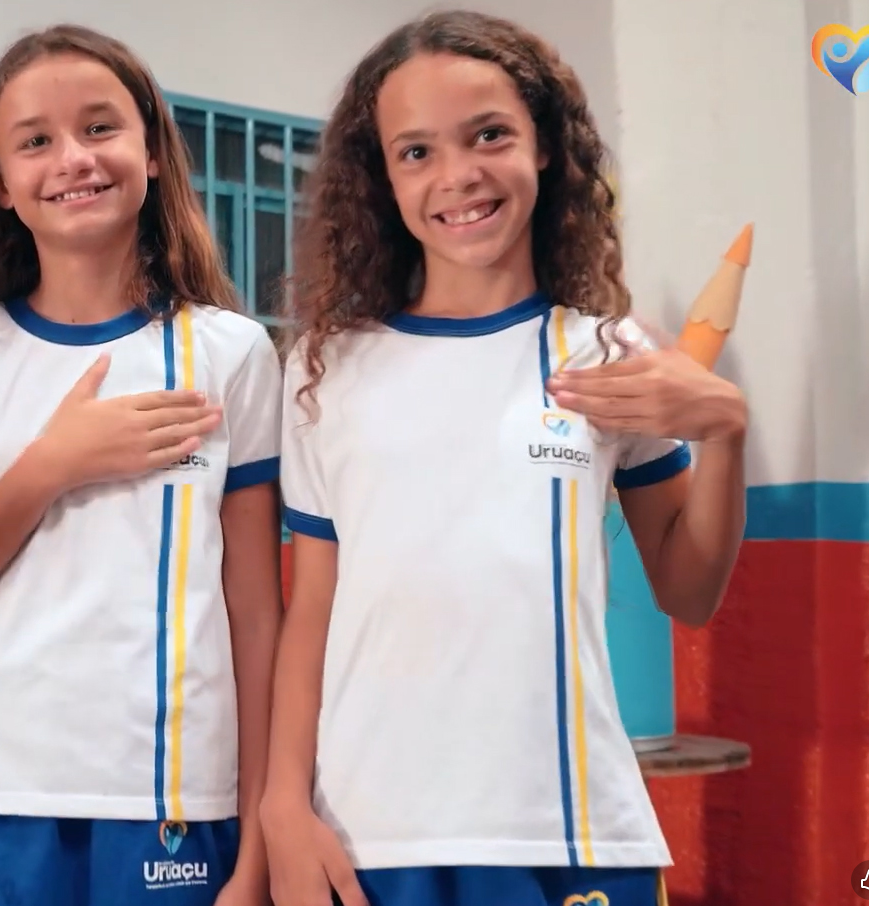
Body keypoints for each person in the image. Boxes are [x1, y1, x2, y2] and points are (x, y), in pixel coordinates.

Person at [259, 11, 748, 906]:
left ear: (546, 147)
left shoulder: (607, 353)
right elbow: (310, 613)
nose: (457, 175)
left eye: (488, 135)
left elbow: (688, 590)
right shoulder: (325, 371)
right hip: (371, 838)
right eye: (416, 152)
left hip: (572, 835)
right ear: (382, 179)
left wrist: (725, 433)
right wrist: (282, 807)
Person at [0, 24, 283, 906]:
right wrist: (48, 468)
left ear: (151, 150)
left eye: (100, 127)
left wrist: (258, 842)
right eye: (34, 141)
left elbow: (256, 617)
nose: (73, 158)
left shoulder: (232, 353)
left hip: (178, 803)